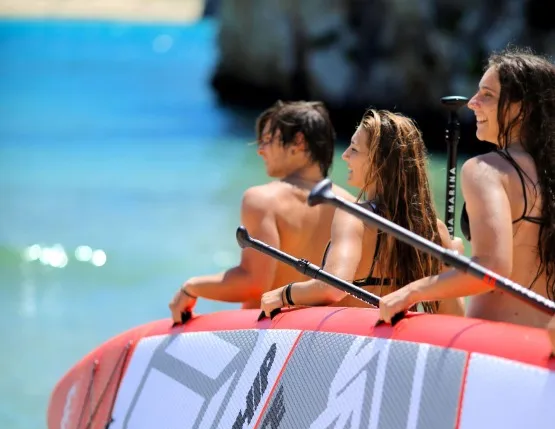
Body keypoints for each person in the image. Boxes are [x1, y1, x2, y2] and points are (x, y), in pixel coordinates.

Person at [378, 46, 555, 328]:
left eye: (487, 95)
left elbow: (493, 267)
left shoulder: (486, 169)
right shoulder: (548, 173)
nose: (472, 103)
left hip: (497, 342)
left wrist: (412, 291)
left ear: (521, 109)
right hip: (545, 344)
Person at [260, 108, 465, 317]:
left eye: (354, 149)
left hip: (351, 335)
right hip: (399, 335)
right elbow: (454, 316)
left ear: (379, 162)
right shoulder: (434, 229)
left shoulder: (354, 217)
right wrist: (453, 265)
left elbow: (333, 287)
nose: (345, 155)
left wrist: (283, 294)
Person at [169, 100, 355, 323]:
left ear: (298, 142)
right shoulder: (352, 205)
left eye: (267, 140)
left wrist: (191, 288)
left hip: (271, 332)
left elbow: (253, 283)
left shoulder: (262, 199)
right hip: (323, 330)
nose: (260, 150)